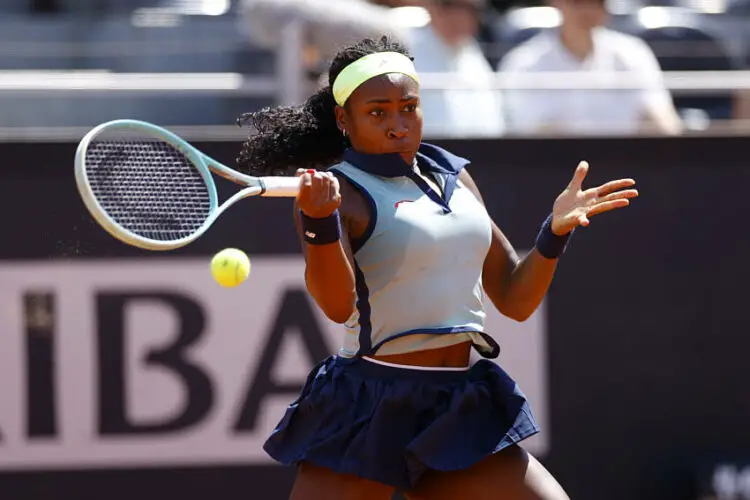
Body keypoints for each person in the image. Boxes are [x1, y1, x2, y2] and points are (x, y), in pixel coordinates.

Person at [237, 35, 638, 500]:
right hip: (371, 405)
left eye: (409, 107)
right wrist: (319, 223)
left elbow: (513, 297)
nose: (398, 124)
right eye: (378, 112)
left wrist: (554, 231)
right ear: (343, 120)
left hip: (456, 405)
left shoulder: (453, 176)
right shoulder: (337, 193)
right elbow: (335, 305)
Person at [498, 0, 683, 136]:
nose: (588, 8)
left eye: (597, 2)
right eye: (578, 1)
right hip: (553, 176)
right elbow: (524, 139)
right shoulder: (523, 63)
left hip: (627, 172)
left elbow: (664, 124)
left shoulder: (633, 54)